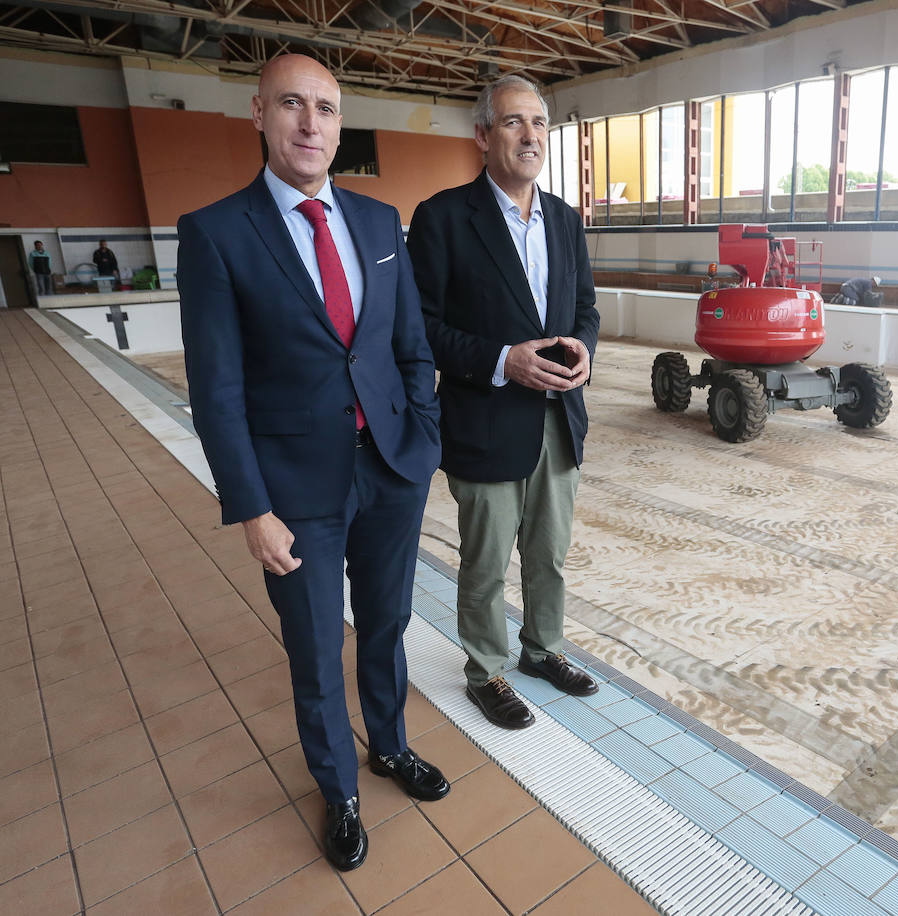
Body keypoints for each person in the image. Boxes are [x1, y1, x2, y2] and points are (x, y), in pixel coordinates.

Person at [177, 54, 448, 873]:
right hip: (296, 492)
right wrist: (251, 508)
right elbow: (216, 390)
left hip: (391, 469)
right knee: (313, 647)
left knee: (389, 627)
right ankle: (341, 790)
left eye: (325, 109)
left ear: (340, 125)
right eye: (292, 105)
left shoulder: (376, 220)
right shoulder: (217, 233)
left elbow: (410, 347)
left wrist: (424, 439)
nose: (309, 123)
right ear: (258, 114)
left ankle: (390, 747)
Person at [407, 75, 600, 731]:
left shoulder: (567, 222)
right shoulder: (443, 218)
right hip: (486, 420)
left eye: (540, 124)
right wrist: (501, 360)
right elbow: (422, 326)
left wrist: (585, 352)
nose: (530, 136)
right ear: (483, 135)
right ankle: (485, 670)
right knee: (486, 561)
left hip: (557, 421)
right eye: (514, 123)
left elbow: (588, 313)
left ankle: (543, 651)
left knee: (548, 555)